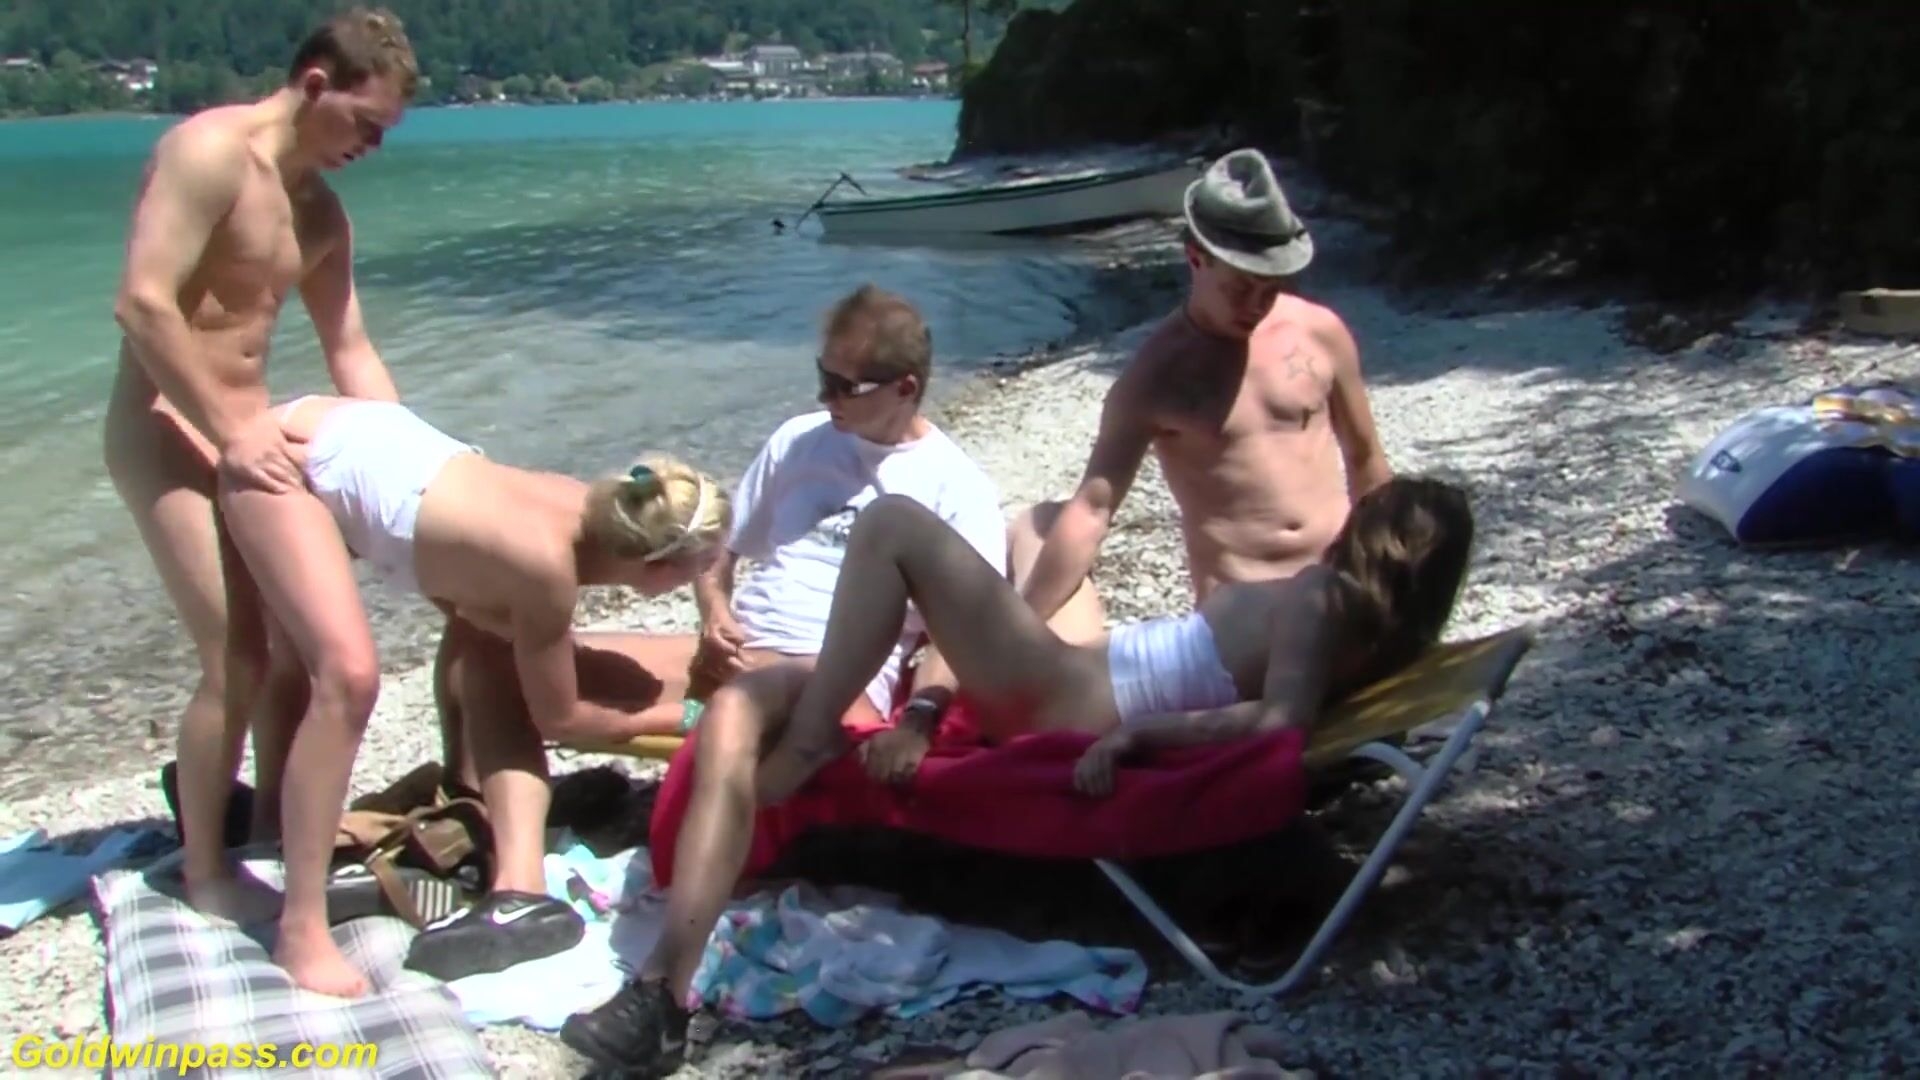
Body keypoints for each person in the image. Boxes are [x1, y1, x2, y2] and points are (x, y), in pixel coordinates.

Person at [559, 474, 1473, 1075]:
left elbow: (1277, 724)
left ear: (1373, 535)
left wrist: (1140, 738)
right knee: (756, 691)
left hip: (1068, 697)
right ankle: (673, 975)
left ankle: (801, 747)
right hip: (1068, 684)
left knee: (892, 524)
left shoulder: (1319, 596)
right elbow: (1284, 713)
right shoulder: (1357, 627)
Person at [435, 284, 1017, 975]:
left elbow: (959, 634)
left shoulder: (954, 486)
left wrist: (919, 718)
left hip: (831, 676)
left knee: (706, 697)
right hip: (737, 653)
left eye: (843, 386)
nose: (825, 396)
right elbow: (723, 551)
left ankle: (675, 776)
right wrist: (714, 612)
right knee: (494, 652)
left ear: (905, 388)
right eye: (821, 375)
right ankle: (503, 864)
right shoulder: (800, 441)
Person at [212, 394, 729, 998]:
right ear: (658, 568)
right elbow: (560, 718)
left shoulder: (580, 505)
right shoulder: (547, 569)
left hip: (352, 438)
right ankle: (301, 931)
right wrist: (692, 714)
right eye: (699, 567)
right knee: (345, 685)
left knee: (483, 644)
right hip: (292, 467)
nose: (700, 578)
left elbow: (480, 622)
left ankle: (490, 849)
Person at [102, 1, 415, 949]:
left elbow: (350, 347)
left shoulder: (318, 210)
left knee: (299, 652)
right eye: (365, 124)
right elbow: (143, 305)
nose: (371, 147)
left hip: (252, 437)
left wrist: (413, 469)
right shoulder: (207, 153)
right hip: (166, 425)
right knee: (237, 654)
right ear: (316, 84)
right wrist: (230, 431)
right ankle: (205, 870)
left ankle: (277, 828)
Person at [1017, 148, 1395, 629]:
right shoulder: (1156, 378)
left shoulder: (1319, 334)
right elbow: (1093, 509)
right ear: (1196, 259)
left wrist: (1389, 577)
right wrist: (1023, 627)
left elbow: (1366, 459)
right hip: (1241, 615)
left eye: (1270, 288)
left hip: (1336, 584)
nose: (1256, 305)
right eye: (1241, 288)